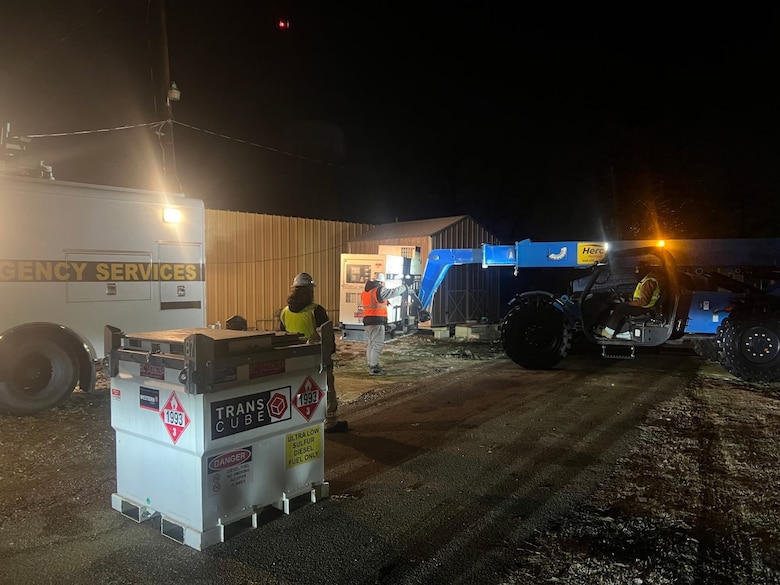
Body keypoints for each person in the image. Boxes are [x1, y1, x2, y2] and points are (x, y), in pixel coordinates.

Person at [280, 272, 348, 433]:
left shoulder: (284, 312)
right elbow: (327, 335)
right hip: (316, 357)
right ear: (310, 290)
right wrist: (330, 352)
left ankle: (300, 422)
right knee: (326, 388)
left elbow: (282, 336)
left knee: (299, 390)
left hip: (293, 359)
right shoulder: (316, 310)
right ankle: (329, 421)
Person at [597, 261, 661, 340]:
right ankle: (605, 326)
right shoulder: (647, 280)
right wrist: (628, 298)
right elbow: (640, 297)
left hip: (644, 308)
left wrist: (629, 303)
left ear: (643, 270)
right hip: (643, 307)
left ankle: (608, 333)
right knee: (615, 305)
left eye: (637, 270)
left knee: (621, 308)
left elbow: (644, 301)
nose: (636, 272)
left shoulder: (648, 282)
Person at [361, 272, 409, 375]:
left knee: (371, 344)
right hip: (376, 322)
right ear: (381, 282)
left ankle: (371, 364)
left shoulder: (366, 291)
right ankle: (374, 368)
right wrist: (404, 287)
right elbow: (392, 292)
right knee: (377, 344)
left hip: (368, 321)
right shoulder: (379, 290)